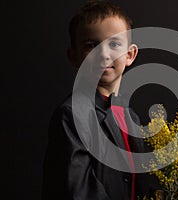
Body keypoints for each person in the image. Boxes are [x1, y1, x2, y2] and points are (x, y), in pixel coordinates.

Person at [42, 1, 162, 199]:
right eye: (91, 45)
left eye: (114, 44)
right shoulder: (72, 115)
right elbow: (78, 192)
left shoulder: (129, 116)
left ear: (130, 55)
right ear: (74, 56)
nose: (104, 54)